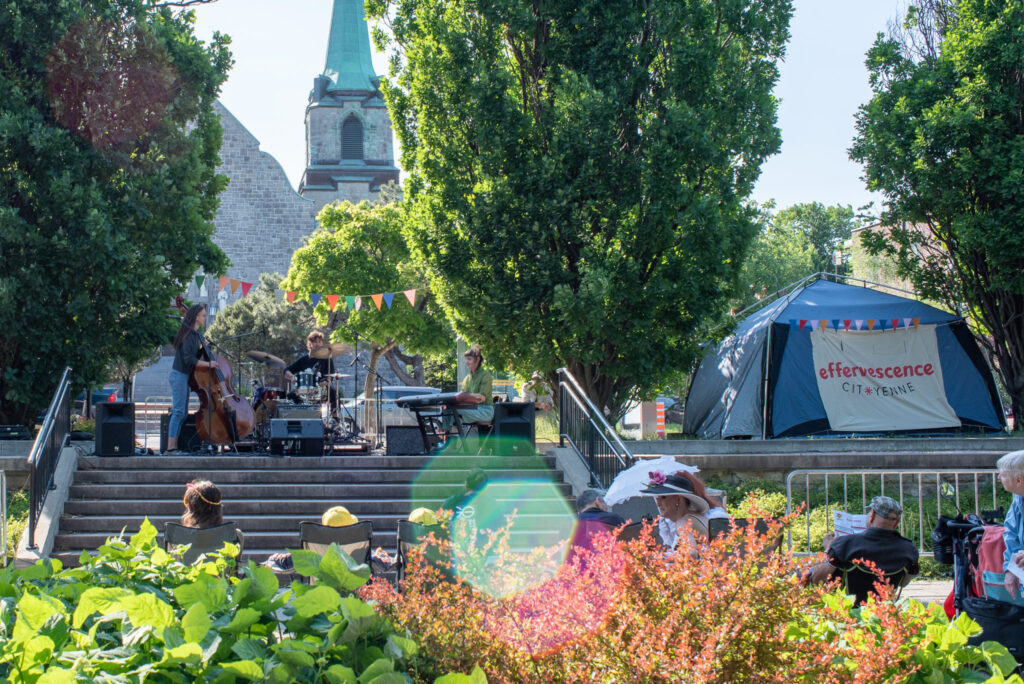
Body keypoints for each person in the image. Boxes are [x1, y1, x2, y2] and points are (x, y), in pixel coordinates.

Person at [802, 496, 919, 604]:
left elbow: (817, 580)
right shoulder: (909, 549)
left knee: (803, 573)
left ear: (872, 515)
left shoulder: (845, 545)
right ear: (896, 522)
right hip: (883, 613)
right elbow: (903, 583)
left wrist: (829, 548)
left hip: (849, 612)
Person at [167, 304, 220, 453]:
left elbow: (193, 355)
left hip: (183, 376)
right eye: (203, 315)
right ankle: (171, 448)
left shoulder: (194, 335)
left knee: (182, 413)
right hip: (179, 375)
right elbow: (189, 359)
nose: (205, 317)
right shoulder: (190, 335)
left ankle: (174, 446)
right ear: (196, 317)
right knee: (178, 412)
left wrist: (202, 349)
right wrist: (209, 364)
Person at [265, 505, 359, 573]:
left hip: (322, 596)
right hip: (353, 598)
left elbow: (285, 561)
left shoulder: (315, 549)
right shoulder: (359, 547)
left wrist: (274, 558)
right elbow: (372, 560)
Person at [641, 471, 710, 549]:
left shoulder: (683, 522)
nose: (658, 504)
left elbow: (691, 554)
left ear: (678, 499)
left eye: (663, 498)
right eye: (657, 499)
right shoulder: (696, 517)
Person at [283, 331, 338, 416]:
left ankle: (335, 419)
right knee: (290, 395)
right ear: (310, 343)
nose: (318, 344)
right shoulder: (303, 360)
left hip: (321, 389)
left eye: (320, 342)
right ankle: (296, 418)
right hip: (304, 390)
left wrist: (326, 382)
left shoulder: (327, 359)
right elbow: (286, 370)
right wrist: (292, 377)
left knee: (333, 392)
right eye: (315, 342)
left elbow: (331, 376)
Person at [448, 346, 494, 431]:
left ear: (478, 359)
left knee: (455, 412)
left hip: (486, 411)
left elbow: (481, 398)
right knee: (448, 410)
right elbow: (462, 399)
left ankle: (452, 438)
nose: (466, 362)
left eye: (469, 359)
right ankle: (449, 436)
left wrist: (465, 396)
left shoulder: (485, 375)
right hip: (472, 409)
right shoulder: (467, 378)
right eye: (466, 359)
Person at [999, 450, 1024, 597]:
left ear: (1019, 480)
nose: (998, 477)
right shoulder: (1018, 497)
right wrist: (1011, 568)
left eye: (1003, 475)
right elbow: (1011, 532)